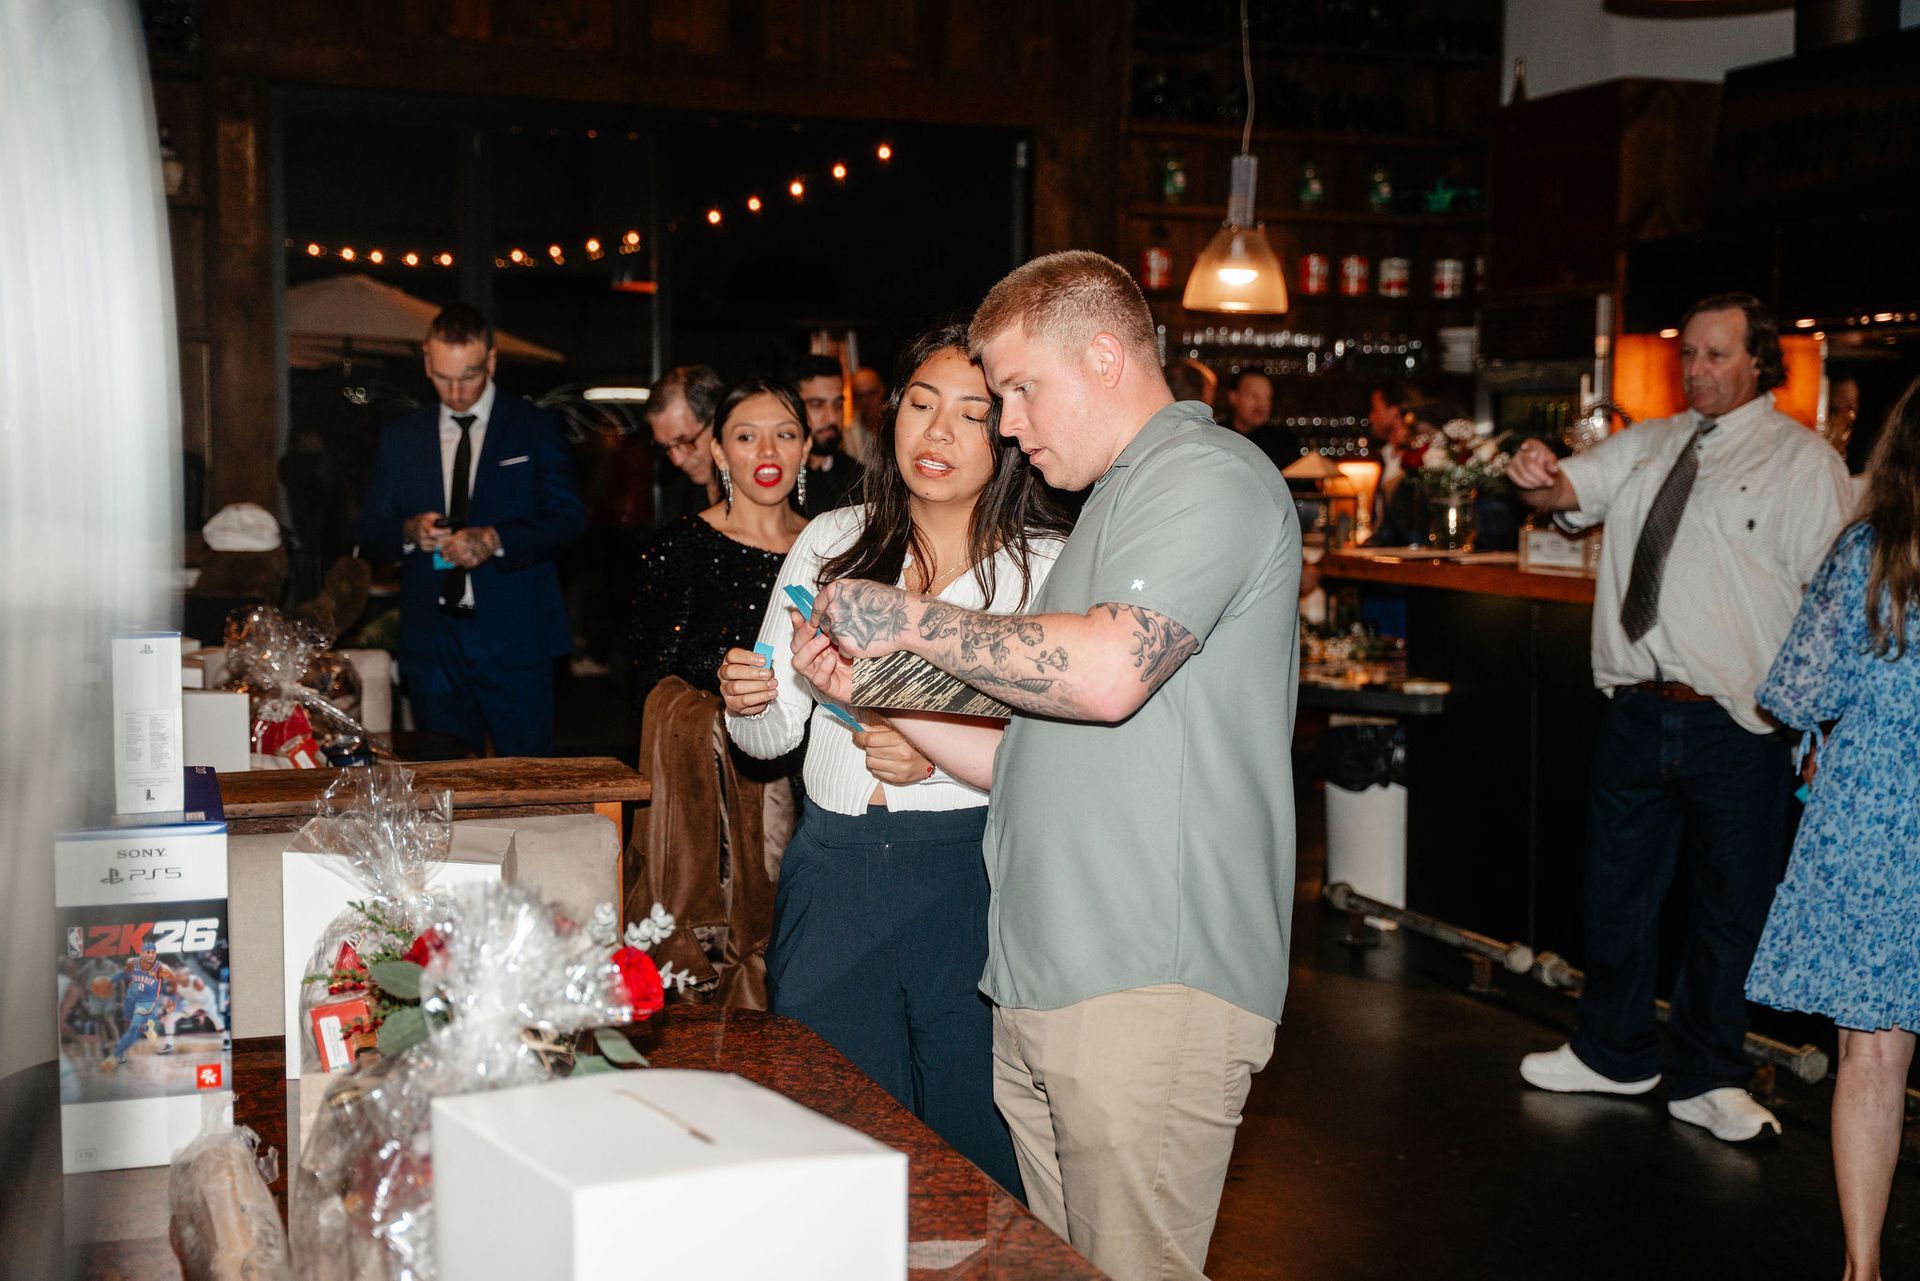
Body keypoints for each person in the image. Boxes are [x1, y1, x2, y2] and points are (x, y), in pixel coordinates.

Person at [795, 252, 1299, 1280]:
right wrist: (866, 692)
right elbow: (1024, 757)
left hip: (1149, 977)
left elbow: (1110, 671)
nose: (1009, 422)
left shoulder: (1205, 476)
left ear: (1105, 356)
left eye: (1020, 389)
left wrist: (906, 618)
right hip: (1049, 977)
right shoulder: (1110, 511)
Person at [720, 323, 1071, 1199]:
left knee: (975, 1141)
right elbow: (774, 739)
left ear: (1011, 433)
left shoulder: (1044, 569)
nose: (937, 433)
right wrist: (749, 703)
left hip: (973, 879)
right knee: (831, 1136)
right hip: (832, 871)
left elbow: (1070, 754)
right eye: (920, 404)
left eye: (970, 413)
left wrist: (942, 764)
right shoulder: (832, 540)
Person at [1508, 291, 1853, 1140]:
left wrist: (1823, 726)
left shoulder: (1802, 462)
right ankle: (1612, 1050)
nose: (1696, 370)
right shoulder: (1653, 442)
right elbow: (1564, 493)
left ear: (1758, 362)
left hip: (1739, 721)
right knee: (1617, 891)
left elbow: (1835, 597)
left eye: (1715, 355)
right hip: (1635, 705)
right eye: (1689, 356)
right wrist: (1536, 473)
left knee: (1728, 907)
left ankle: (1710, 1074)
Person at [1745, 379, 1920, 1281]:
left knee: (1874, 1052)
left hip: (1877, 825)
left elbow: (1796, 692)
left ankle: (1863, 1267)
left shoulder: (1870, 552)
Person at [627, 378, 811, 1007]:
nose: (768, 450)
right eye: (746, 435)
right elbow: (652, 667)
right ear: (721, 453)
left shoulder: (831, 547)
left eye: (785, 434)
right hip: (728, 787)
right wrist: (726, 677)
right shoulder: (682, 545)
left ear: (807, 448)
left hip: (822, 779)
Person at [356, 304, 585, 757]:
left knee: (528, 780)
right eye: (443, 377)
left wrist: (497, 539)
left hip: (517, 635)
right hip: (432, 639)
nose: (457, 392)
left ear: (492, 362)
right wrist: (408, 531)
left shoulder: (534, 428)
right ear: (426, 361)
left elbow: (570, 520)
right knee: (444, 782)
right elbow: (370, 532)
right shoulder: (402, 436)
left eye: (470, 376)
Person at [645, 365, 727, 525]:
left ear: (718, 422)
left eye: (684, 442)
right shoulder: (679, 500)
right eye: (665, 447)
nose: (677, 460)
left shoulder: (757, 492)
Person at [795, 353, 866, 516]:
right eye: (817, 405)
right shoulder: (775, 482)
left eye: (838, 404)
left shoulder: (859, 480)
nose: (832, 417)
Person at [100, 942, 174, 1072]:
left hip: (146, 1002)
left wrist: (171, 999)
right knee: (131, 1025)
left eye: (153, 952)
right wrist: (110, 981)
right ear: (141, 953)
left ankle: (114, 1057)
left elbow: (174, 981)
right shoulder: (133, 963)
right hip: (131, 999)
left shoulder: (161, 969)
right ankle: (147, 1028)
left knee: (133, 1028)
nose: (151, 955)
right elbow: (123, 974)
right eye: (148, 952)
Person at [850, 364, 888, 464]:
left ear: (882, 390)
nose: (866, 402)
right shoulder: (848, 435)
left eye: (871, 393)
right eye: (860, 396)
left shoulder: (896, 424)